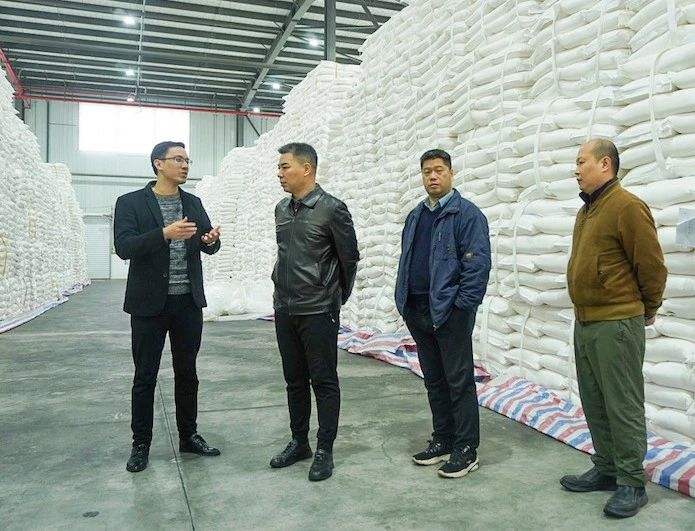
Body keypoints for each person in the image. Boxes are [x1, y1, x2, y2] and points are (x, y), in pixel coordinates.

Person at [561, 138, 667, 518]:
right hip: (587, 321)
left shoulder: (626, 206)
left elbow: (652, 267)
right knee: (594, 400)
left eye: (581, 162)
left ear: (605, 164)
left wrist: (645, 310)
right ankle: (607, 468)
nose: (576, 169)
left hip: (616, 322)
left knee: (622, 403)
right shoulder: (587, 211)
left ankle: (632, 482)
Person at [114, 141, 222, 473]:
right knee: (145, 376)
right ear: (158, 164)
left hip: (187, 303)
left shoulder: (193, 202)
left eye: (187, 160)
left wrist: (210, 241)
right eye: (178, 159)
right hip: (149, 305)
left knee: (187, 373)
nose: (185, 165)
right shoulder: (131, 202)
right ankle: (141, 444)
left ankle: (189, 435)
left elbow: (207, 243)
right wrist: (165, 233)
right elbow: (124, 247)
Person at [395, 149, 491, 479]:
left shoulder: (467, 214)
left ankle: (466, 448)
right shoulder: (415, 215)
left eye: (438, 170)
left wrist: (462, 307)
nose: (432, 176)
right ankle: (444, 439)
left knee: (458, 380)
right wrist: (404, 301)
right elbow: (407, 259)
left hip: (450, 311)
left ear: (450, 173)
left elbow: (477, 266)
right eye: (427, 171)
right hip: (418, 309)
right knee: (434, 380)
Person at [269, 142, 359, 481]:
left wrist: (334, 295)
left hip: (318, 309)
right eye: (279, 168)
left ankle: (325, 450)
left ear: (306, 169)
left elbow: (349, 258)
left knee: (323, 380)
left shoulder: (332, 209)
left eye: (285, 167)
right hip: (285, 307)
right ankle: (299, 442)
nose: (279, 174)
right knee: (294, 380)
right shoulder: (281, 208)